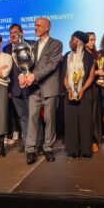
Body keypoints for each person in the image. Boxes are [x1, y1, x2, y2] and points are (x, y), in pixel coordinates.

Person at [20, 17, 63, 164]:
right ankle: (30, 150)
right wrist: (23, 76)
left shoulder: (56, 44)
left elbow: (52, 65)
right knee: (32, 118)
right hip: (34, 89)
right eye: (34, 25)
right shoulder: (32, 46)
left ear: (47, 27)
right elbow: (27, 65)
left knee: (49, 120)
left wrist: (33, 76)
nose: (35, 28)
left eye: (38, 25)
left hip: (49, 87)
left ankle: (48, 148)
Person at [63, 31, 96, 158]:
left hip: (85, 93)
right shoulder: (67, 56)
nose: (70, 42)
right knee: (71, 122)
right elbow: (65, 76)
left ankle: (85, 151)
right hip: (70, 93)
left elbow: (91, 77)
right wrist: (69, 89)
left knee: (85, 122)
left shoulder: (89, 57)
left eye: (72, 39)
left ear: (80, 42)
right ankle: (73, 150)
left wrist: (82, 90)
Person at [3, 25, 29, 150]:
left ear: (22, 33)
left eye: (15, 32)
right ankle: (26, 144)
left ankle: (38, 144)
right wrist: (8, 89)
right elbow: (7, 71)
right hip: (15, 89)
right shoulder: (6, 48)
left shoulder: (30, 45)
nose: (13, 35)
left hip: (30, 86)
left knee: (33, 117)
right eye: (11, 33)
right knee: (23, 117)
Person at [86, 32, 101, 153]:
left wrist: (102, 77)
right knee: (86, 116)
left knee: (94, 115)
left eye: (94, 40)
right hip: (83, 88)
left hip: (95, 87)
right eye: (90, 40)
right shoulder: (79, 54)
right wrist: (96, 73)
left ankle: (94, 141)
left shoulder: (97, 55)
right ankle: (86, 140)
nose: (93, 42)